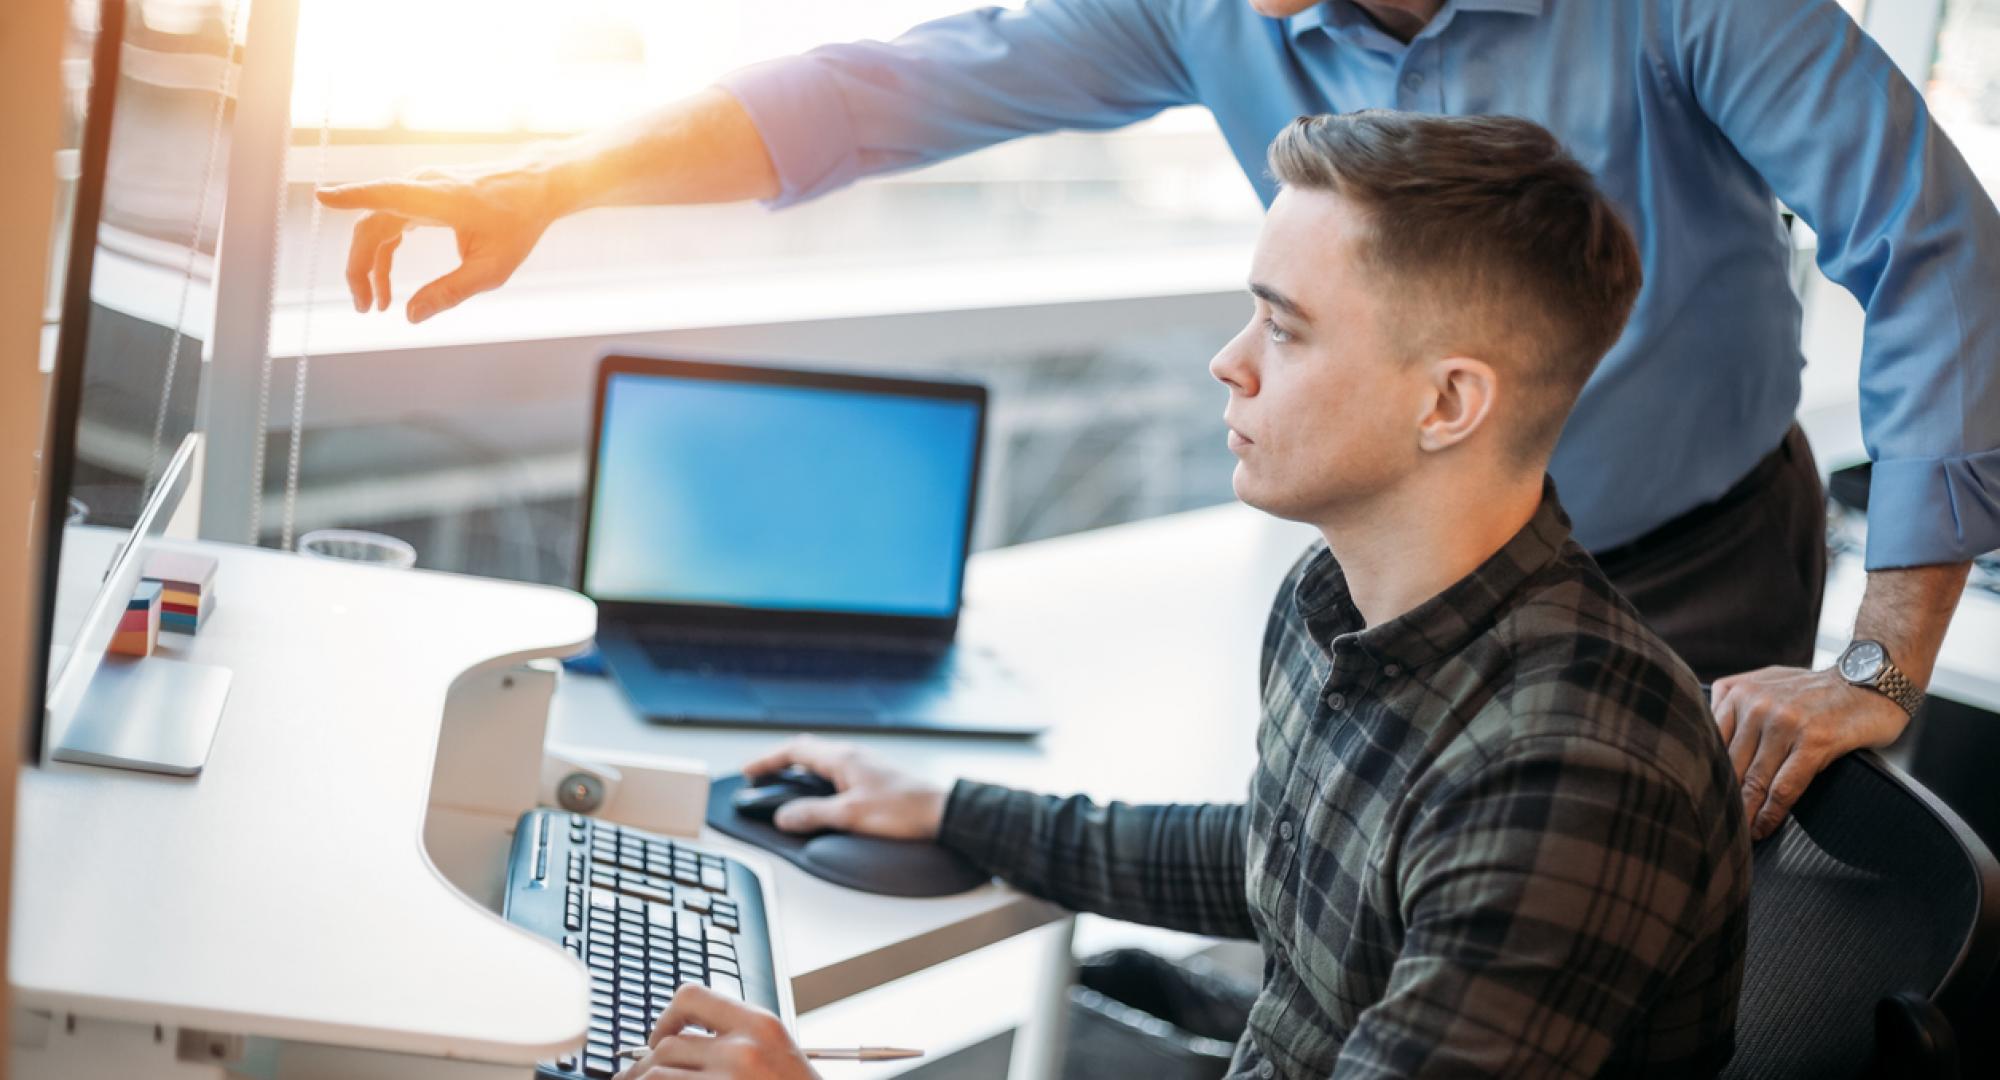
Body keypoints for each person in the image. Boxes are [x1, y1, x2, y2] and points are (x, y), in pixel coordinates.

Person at [318, 1, 2000, 840]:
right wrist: (555, 184)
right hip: (1406, 564)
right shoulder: (1214, 8)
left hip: (1680, 563)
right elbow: (887, 91)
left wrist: (1878, 663)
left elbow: (1936, 252)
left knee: (1559, 961)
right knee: (1333, 894)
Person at [615, 111, 1750, 1080]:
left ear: (1447, 403)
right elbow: (1278, 860)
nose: (1229, 361)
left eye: (1284, 327)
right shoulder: (1337, 605)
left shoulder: (1565, 774)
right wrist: (952, 808)